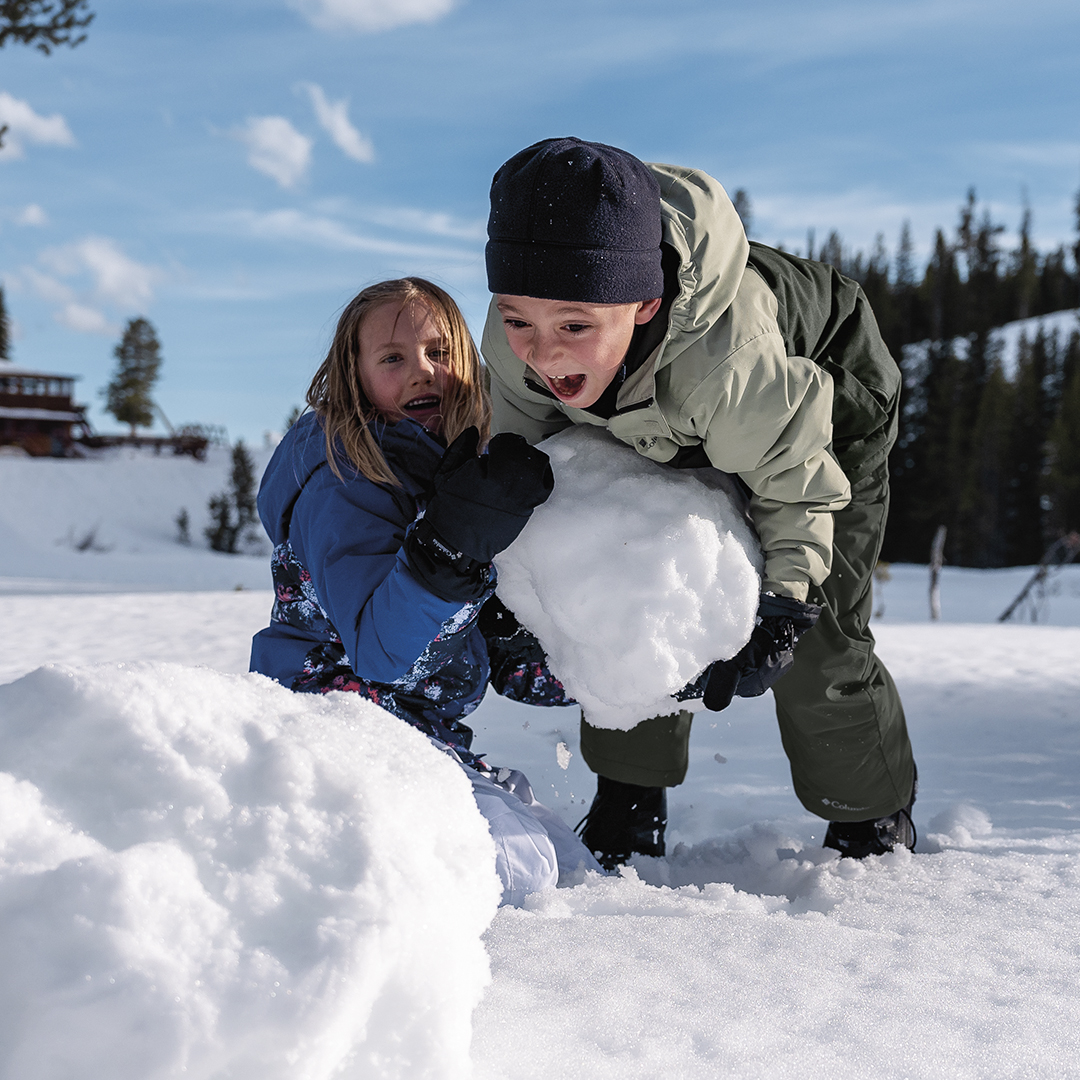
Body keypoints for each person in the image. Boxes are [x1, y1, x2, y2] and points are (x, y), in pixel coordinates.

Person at [480, 137, 917, 866]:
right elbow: (513, 466)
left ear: (644, 301)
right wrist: (500, 579)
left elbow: (796, 481)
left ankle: (868, 812)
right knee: (627, 576)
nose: (544, 352)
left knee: (820, 633)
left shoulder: (731, 365)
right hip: (655, 411)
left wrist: (786, 602)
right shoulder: (517, 345)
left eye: (574, 326)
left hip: (819, 414)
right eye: (519, 319)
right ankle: (628, 793)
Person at [250, 276, 602, 904]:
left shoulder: (446, 469)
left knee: (570, 868)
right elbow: (382, 652)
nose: (422, 373)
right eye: (392, 358)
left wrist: (626, 673)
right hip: (332, 730)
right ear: (352, 375)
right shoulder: (342, 481)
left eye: (439, 353)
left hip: (413, 731)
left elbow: (494, 649)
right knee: (519, 873)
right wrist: (451, 547)